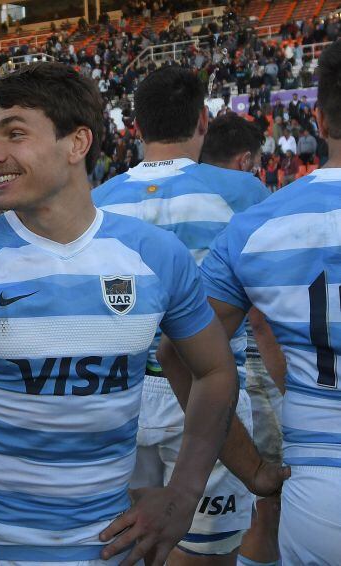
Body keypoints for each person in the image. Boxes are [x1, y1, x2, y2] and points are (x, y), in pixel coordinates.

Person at [0, 62, 256, 566]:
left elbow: (214, 370)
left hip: (109, 547)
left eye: (14, 134)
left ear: (77, 143)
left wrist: (186, 492)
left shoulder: (157, 256)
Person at [159, 40, 341, 564]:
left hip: (320, 489)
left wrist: (251, 468)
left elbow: (178, 352)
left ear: (320, 120)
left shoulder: (257, 226)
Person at [93, 67, 277, 564]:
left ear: (136, 125)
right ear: (202, 120)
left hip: (119, 392)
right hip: (205, 388)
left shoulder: (97, 202)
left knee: (120, 544)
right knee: (204, 552)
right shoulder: (243, 193)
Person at [198, 115, 287, 566]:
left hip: (159, 381)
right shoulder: (253, 201)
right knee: (262, 495)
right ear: (247, 159)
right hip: (240, 365)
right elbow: (261, 315)